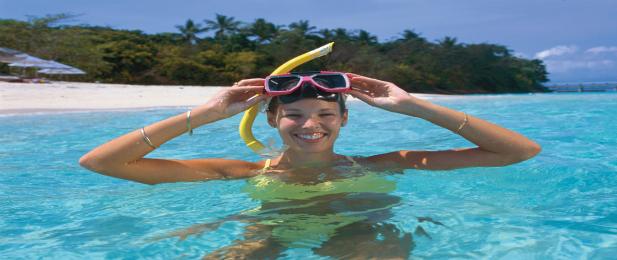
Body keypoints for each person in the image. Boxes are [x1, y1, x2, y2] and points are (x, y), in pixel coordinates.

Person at [79, 72, 541, 258]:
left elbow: (518, 152)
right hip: (269, 235)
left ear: (343, 119)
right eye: (294, 115)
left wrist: (415, 106)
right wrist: (203, 114)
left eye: (325, 115)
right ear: (274, 119)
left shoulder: (390, 162)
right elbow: (101, 162)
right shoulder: (239, 170)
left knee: (368, 246)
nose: (310, 125)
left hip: (364, 235)